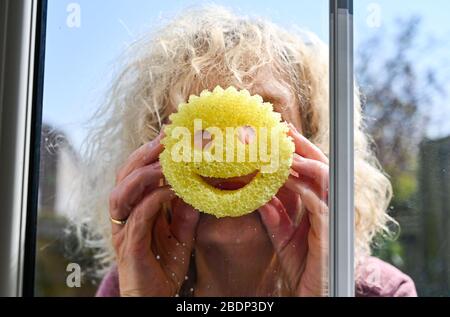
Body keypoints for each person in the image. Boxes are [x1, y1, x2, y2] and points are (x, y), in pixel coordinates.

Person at [75, 6, 417, 297]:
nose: (229, 152)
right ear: (150, 154)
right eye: (198, 127)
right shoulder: (126, 284)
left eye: (263, 117)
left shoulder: (379, 290)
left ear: (315, 147)